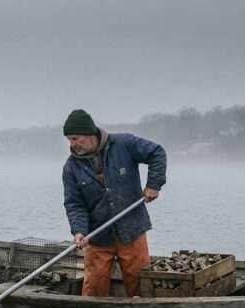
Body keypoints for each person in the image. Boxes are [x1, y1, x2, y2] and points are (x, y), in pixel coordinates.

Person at [61, 109, 167, 297]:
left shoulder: (123, 144)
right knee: (93, 288)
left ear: (90, 134)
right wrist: (79, 231)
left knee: (139, 285)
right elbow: (74, 204)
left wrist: (153, 185)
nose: (73, 144)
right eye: (70, 139)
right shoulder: (71, 168)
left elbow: (157, 153)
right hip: (98, 235)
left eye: (77, 138)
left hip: (132, 229)